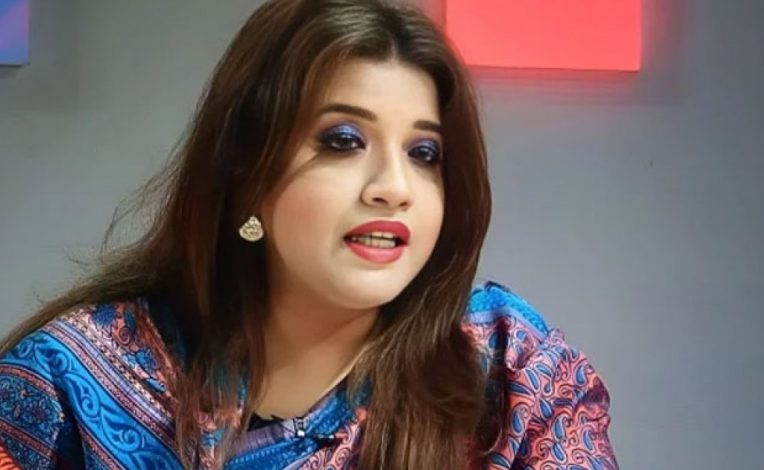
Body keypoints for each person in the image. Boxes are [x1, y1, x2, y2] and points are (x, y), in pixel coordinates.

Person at [0, 0, 618, 468]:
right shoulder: (70, 384)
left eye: (424, 153)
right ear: (248, 176)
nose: (394, 187)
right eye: (344, 141)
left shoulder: (510, 371)